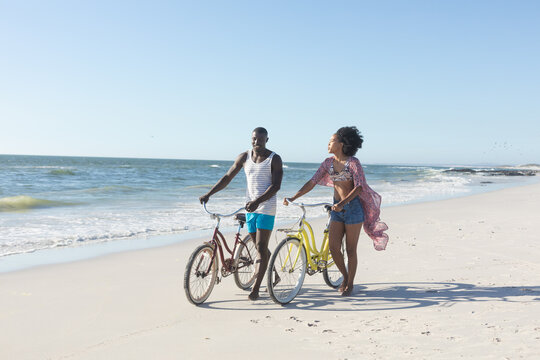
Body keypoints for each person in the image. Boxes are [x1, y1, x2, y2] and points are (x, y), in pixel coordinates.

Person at [283, 126, 388, 296]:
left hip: (353, 209)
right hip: (336, 209)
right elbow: (312, 182)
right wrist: (293, 198)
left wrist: (343, 203)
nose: (328, 144)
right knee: (333, 247)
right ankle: (345, 277)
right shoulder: (328, 163)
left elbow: (359, 187)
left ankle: (350, 284)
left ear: (341, 144)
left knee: (351, 250)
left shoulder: (353, 163)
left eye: (331, 141)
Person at [200, 127, 283, 300]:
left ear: (267, 140)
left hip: (266, 209)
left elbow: (276, 186)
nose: (256, 142)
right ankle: (274, 275)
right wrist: (209, 194)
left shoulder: (274, 159)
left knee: (260, 247)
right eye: (254, 139)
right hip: (250, 208)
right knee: (258, 245)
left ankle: (256, 289)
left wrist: (258, 201)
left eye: (260, 139)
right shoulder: (244, 157)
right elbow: (227, 177)